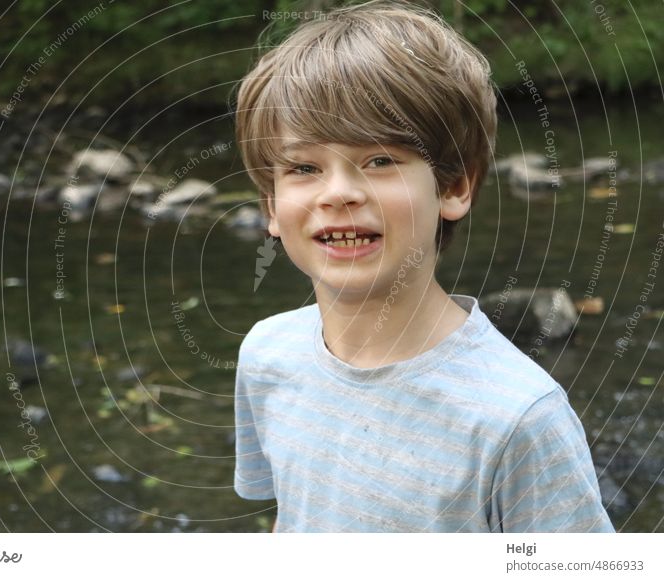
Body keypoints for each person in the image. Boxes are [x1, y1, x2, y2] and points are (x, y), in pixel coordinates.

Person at [231, 1, 614, 532]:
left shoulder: (519, 420)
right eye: (303, 167)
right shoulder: (266, 356)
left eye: (380, 160)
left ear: (454, 186)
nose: (339, 192)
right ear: (271, 207)